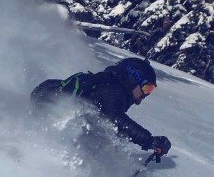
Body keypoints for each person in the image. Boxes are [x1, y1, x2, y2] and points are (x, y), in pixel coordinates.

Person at [30, 57, 171, 157]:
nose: (146, 94)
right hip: (50, 116)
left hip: (49, 110)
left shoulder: (107, 85)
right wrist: (149, 140)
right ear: (133, 79)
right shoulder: (112, 90)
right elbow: (115, 118)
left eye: (150, 90)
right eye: (147, 88)